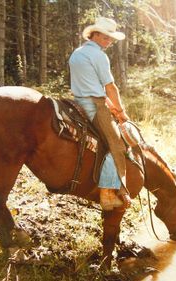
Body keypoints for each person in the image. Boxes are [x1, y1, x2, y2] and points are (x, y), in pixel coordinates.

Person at [69, 16, 131, 211]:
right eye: (106, 37)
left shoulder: (77, 53)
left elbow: (90, 85)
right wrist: (120, 112)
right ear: (94, 35)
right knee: (118, 144)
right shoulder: (99, 56)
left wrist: (110, 105)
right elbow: (110, 87)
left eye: (110, 38)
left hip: (79, 101)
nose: (109, 42)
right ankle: (107, 192)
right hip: (94, 105)